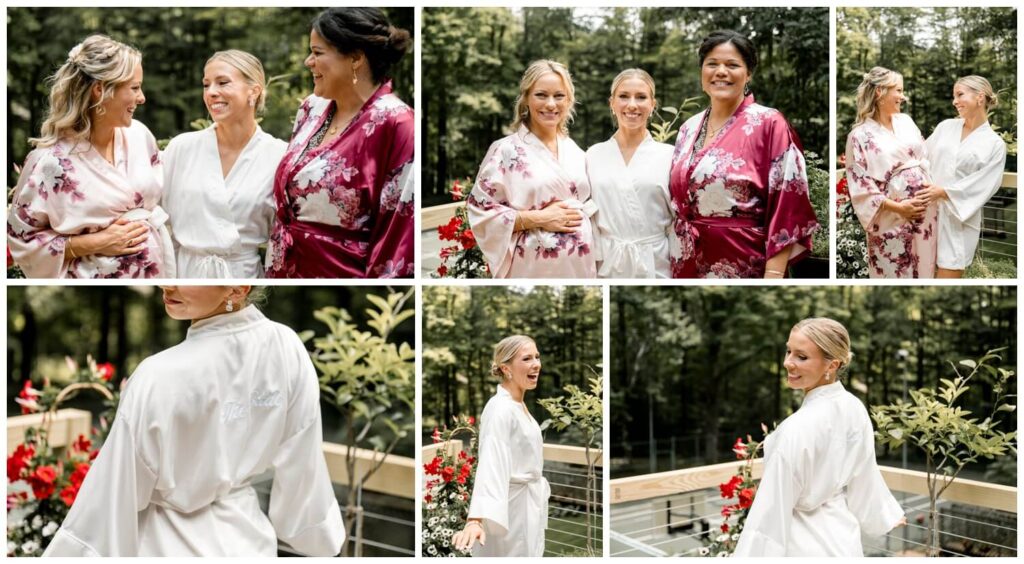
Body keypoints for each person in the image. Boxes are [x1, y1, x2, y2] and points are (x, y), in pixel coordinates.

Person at [42, 286, 344, 556]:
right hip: (249, 542)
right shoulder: (286, 347)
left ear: (238, 288)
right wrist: (318, 537)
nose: (167, 284)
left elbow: (111, 498)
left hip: (166, 544)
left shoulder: (156, 376)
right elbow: (303, 471)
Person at [733, 318, 906, 556]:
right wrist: (884, 513)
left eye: (801, 357)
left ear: (831, 365)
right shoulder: (854, 407)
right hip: (843, 540)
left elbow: (769, 515)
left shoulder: (795, 429)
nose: (787, 363)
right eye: (788, 351)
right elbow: (864, 475)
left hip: (801, 543)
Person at [8, 34, 174, 278]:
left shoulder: (140, 135)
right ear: (100, 90)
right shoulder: (49, 162)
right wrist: (97, 242)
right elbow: (21, 240)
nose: (142, 98)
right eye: (135, 88)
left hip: (159, 274)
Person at [266, 8, 415, 278]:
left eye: (317, 52)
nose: (308, 62)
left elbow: (397, 238)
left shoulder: (397, 124)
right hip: (284, 270)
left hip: (341, 275)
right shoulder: (311, 109)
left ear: (356, 58)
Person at [669, 30, 818, 279]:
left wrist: (773, 275)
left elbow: (788, 206)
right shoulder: (688, 128)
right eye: (712, 64)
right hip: (685, 259)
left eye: (732, 65)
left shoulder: (770, 123)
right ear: (701, 71)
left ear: (748, 73)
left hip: (744, 261)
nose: (721, 72)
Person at [466, 60, 597, 278]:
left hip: (581, 266)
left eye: (559, 96)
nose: (551, 104)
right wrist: (541, 218)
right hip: (532, 268)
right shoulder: (505, 150)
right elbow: (480, 211)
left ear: (569, 100)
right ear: (526, 98)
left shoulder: (575, 150)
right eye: (541, 95)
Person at [162, 50, 287, 278]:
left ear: (254, 90)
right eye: (206, 84)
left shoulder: (279, 155)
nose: (211, 93)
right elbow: (153, 217)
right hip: (185, 275)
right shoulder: (181, 148)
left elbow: (286, 238)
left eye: (223, 82)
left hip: (242, 276)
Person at [451, 336, 550, 557]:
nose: (536, 363)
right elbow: (490, 462)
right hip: (511, 512)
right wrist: (475, 520)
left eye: (537, 356)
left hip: (527, 505)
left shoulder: (518, 404)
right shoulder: (500, 409)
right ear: (506, 368)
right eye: (526, 358)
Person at [845, 66, 937, 278]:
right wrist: (900, 207)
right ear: (880, 92)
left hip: (925, 212)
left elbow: (925, 158)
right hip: (891, 216)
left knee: (925, 267)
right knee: (895, 270)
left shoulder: (906, 122)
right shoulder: (859, 136)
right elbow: (861, 186)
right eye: (898, 90)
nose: (902, 97)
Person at [586, 69, 674, 278]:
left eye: (641, 97)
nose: (632, 105)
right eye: (624, 96)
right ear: (612, 103)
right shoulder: (592, 155)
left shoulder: (670, 156)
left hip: (656, 264)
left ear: (653, 104)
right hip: (607, 263)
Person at [924, 76, 1008, 278]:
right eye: (954, 96)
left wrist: (944, 192)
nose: (954, 101)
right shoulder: (945, 127)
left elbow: (986, 184)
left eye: (959, 94)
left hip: (959, 221)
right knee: (922, 273)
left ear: (980, 97)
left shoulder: (995, 144)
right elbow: (919, 155)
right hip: (927, 213)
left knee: (947, 276)